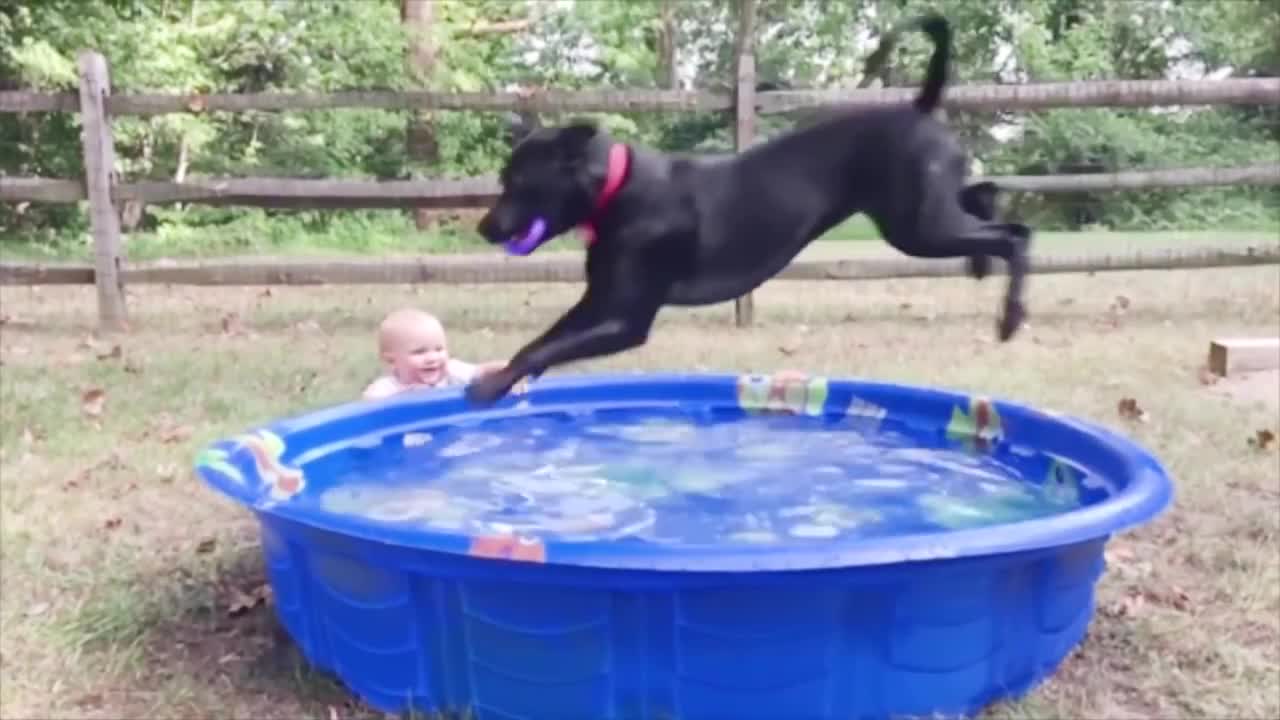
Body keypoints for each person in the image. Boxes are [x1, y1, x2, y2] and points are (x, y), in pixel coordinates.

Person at [362, 308, 519, 400]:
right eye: (419, 352)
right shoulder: (387, 389)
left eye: (439, 349)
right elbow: (367, 407)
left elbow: (482, 371)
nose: (432, 358)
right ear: (391, 360)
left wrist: (513, 369)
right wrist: (404, 398)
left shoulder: (451, 371)